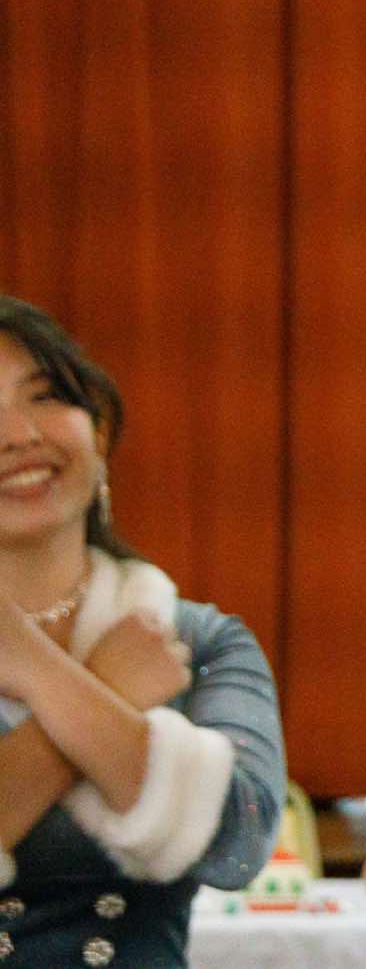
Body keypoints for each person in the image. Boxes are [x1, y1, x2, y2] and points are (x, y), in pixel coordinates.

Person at [0, 296, 286, 966]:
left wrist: (37, 669)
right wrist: (102, 687)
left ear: (99, 433)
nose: (18, 434)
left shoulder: (196, 640)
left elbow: (238, 846)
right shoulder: (144, 657)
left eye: (45, 397)